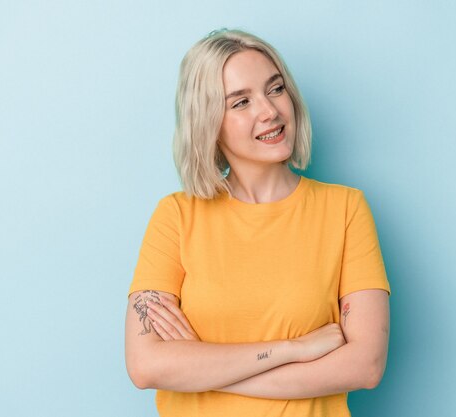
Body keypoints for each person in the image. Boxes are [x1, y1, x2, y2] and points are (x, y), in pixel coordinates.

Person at [124, 28, 391, 417]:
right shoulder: (176, 217)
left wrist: (202, 369)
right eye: (241, 102)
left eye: (276, 89)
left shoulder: (345, 209)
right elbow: (146, 366)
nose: (269, 111)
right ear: (208, 121)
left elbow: (365, 366)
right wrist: (292, 350)